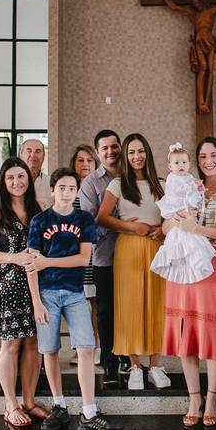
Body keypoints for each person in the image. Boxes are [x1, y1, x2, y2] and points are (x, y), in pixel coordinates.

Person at [25, 168, 122, 430]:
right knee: (50, 350)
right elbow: (31, 265)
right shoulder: (40, 220)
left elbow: (83, 258)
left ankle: (89, 411)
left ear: (76, 191)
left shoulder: (84, 220)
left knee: (87, 348)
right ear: (52, 190)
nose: (66, 193)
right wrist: (36, 303)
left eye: (71, 188)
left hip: (75, 293)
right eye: (62, 188)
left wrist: (47, 261)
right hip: (46, 294)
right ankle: (59, 405)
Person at [161, 137, 216, 428]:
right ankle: (194, 397)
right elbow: (165, 226)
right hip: (184, 264)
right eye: (203, 156)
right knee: (187, 330)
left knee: (211, 330)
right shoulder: (185, 185)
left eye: (214, 155)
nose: (208, 161)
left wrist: (197, 228)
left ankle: (211, 398)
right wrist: (175, 221)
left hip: (215, 263)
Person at [97, 133, 170, 391]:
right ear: (125, 157)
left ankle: (156, 365)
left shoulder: (162, 184)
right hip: (128, 249)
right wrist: (130, 227)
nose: (136, 156)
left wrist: (163, 229)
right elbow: (102, 217)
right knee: (130, 305)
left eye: (141, 151)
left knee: (158, 304)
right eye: (131, 152)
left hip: (158, 248)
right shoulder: (117, 184)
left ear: (147, 153)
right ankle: (135, 366)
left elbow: (174, 216)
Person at [0, 157, 46, 427]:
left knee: (33, 343)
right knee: (12, 343)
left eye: (21, 176)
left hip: (34, 284)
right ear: (3, 182)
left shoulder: (37, 209)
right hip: (7, 285)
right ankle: (10, 404)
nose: (16, 182)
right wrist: (14, 257)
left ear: (28, 179)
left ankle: (29, 400)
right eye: (10, 178)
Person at [78, 130, 129, 381]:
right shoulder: (90, 183)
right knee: (106, 311)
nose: (111, 151)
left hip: (133, 256)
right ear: (98, 153)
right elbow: (89, 225)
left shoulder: (131, 175)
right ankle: (109, 362)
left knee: (129, 308)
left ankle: (130, 358)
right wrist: (121, 225)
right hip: (104, 257)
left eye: (114, 146)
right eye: (105, 148)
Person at [156, 0, 216, 114]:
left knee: (210, 70)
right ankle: (201, 101)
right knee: (203, 68)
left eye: (198, 2)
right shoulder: (193, 15)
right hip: (199, 42)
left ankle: (206, 101)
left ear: (202, 2)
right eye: (194, 3)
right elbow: (175, 7)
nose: (196, 4)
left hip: (209, 41)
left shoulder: (211, 11)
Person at [150, 142, 216, 284]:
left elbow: (195, 195)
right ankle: (181, 264)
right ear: (170, 166)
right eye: (177, 163)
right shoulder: (172, 178)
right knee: (179, 237)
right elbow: (177, 192)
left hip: (189, 212)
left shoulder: (189, 177)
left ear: (189, 164)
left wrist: (198, 188)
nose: (181, 165)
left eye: (184, 162)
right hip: (177, 208)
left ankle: (193, 265)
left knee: (192, 239)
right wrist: (191, 186)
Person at [69, 144, 102, 366]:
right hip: (73, 253)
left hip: (96, 252)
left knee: (95, 303)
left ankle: (97, 346)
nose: (85, 164)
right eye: (80, 160)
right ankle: (80, 347)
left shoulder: (98, 187)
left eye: (89, 160)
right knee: (76, 303)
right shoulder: (69, 188)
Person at [20, 138, 52, 210]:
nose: (33, 155)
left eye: (38, 151)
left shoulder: (52, 183)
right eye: (29, 151)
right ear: (21, 156)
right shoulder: (12, 183)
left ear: (43, 156)